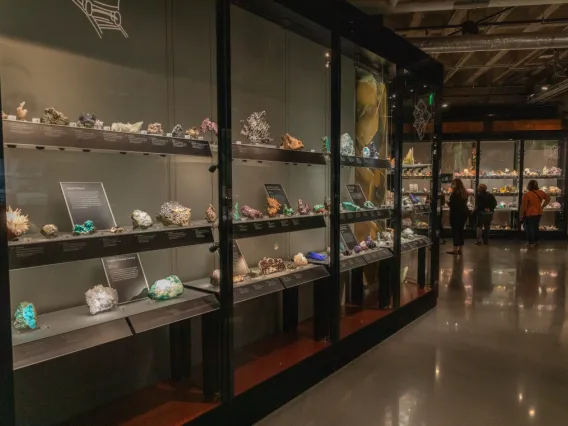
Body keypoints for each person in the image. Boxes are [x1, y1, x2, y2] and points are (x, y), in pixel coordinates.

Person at [520, 179, 550, 247]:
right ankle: (537, 241)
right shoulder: (541, 192)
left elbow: (523, 206)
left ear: (529, 186)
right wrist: (543, 206)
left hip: (529, 214)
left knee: (529, 228)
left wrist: (520, 214)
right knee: (535, 227)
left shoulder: (527, 194)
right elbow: (548, 199)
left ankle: (531, 242)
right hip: (539, 213)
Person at [447, 178, 469, 255]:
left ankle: (455, 249)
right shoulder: (465, 192)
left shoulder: (455, 193)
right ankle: (461, 249)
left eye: (453, 183)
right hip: (464, 213)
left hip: (456, 214)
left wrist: (447, 202)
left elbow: (453, 205)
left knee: (455, 231)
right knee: (461, 231)